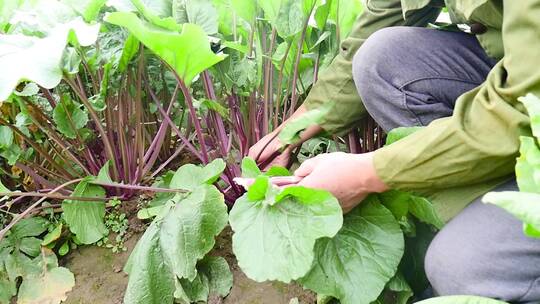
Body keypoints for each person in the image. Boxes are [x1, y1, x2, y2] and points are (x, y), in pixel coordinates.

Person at [248, 1, 540, 302]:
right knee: (380, 57)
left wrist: (366, 174)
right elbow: (379, 22)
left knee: (459, 268)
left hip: (528, 95)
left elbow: (520, 105)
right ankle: (485, 198)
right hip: (518, 69)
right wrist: (288, 134)